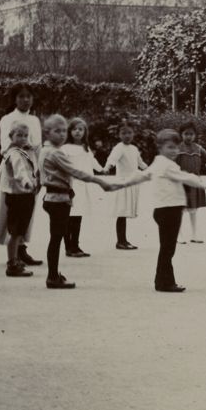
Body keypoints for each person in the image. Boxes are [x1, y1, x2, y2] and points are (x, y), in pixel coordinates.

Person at [128, 130, 206, 292]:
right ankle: (164, 283)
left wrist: (116, 185)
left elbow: (142, 176)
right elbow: (188, 178)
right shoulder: (167, 165)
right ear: (160, 148)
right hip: (169, 211)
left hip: (164, 210)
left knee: (166, 248)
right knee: (168, 249)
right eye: (170, 147)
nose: (174, 151)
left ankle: (163, 281)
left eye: (176, 148)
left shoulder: (158, 163)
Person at [37, 115, 128, 290]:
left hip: (54, 198)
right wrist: (101, 182)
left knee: (56, 237)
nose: (62, 134)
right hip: (59, 199)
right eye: (58, 131)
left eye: (64, 130)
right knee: (56, 239)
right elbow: (75, 171)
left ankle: (54, 273)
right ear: (47, 133)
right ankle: (52, 277)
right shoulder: (55, 152)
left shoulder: (44, 150)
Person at [0, 84, 43, 267]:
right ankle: (13, 254)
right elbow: (5, 146)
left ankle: (22, 251)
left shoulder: (35, 120)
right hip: (14, 168)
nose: (25, 100)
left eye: (29, 96)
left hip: (31, 167)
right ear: (14, 99)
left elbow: (38, 146)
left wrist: (39, 173)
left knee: (27, 213)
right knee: (15, 214)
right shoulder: (7, 119)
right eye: (21, 96)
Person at [0, 122, 39, 277]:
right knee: (16, 231)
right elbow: (20, 170)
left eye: (25, 135)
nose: (23, 138)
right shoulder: (14, 153)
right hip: (18, 195)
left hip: (24, 195)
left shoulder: (23, 151)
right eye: (19, 135)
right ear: (11, 137)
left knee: (19, 231)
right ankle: (12, 264)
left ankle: (15, 259)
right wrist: (26, 182)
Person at [175, 120, 206, 244]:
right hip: (181, 182)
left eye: (191, 134)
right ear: (181, 135)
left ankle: (194, 234)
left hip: (195, 182)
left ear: (195, 135)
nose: (189, 136)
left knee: (193, 209)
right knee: (180, 210)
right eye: (186, 134)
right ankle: (178, 235)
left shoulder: (198, 148)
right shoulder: (178, 148)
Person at [105, 123, 147, 250]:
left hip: (132, 183)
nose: (127, 136)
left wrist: (152, 171)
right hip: (123, 183)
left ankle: (123, 240)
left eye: (129, 133)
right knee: (121, 212)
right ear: (119, 135)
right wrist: (107, 167)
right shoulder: (119, 147)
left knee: (125, 213)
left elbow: (141, 163)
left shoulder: (134, 149)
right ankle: (120, 241)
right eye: (124, 133)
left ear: (133, 134)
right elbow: (112, 159)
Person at [62, 117, 99, 258]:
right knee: (68, 217)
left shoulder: (86, 148)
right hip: (71, 185)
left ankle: (75, 245)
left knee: (78, 217)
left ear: (85, 132)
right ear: (69, 131)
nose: (77, 132)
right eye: (74, 129)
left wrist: (102, 169)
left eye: (80, 129)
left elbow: (92, 161)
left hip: (83, 187)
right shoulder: (65, 148)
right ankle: (68, 247)